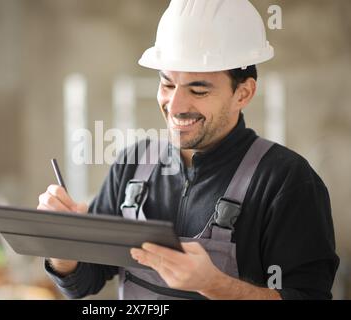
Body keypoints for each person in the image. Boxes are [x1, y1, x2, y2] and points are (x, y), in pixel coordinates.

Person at [38, 0, 339, 299]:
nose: (176, 106)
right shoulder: (132, 164)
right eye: (167, 85)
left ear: (243, 93)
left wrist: (216, 285)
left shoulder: (286, 181)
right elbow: (85, 280)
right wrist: (62, 248)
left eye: (198, 90)